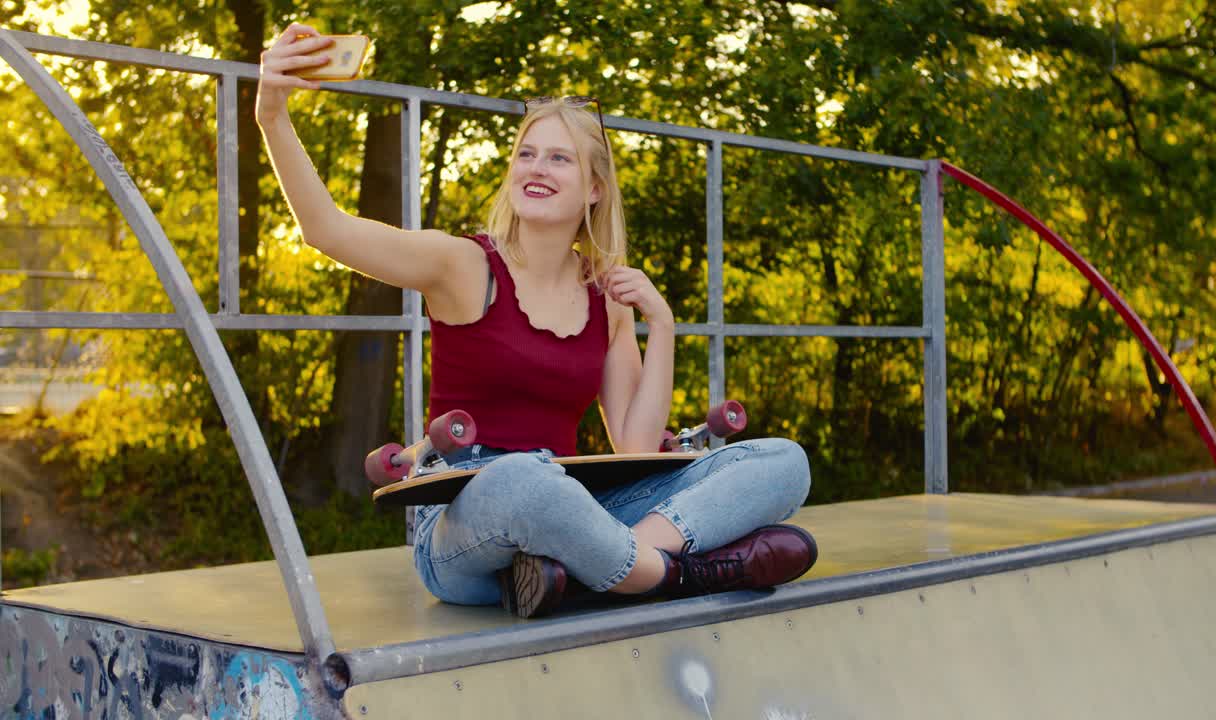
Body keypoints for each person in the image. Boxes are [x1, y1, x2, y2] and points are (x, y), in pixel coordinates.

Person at [256, 24, 817, 618]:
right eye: (526, 153)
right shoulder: (465, 265)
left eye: (558, 157)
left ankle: (590, 571)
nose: (535, 167)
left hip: (572, 512)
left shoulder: (609, 295)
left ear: (594, 189)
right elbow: (326, 230)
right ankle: (673, 573)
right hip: (472, 520)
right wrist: (273, 115)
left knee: (781, 461)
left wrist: (665, 323)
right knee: (523, 478)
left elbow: (631, 442)